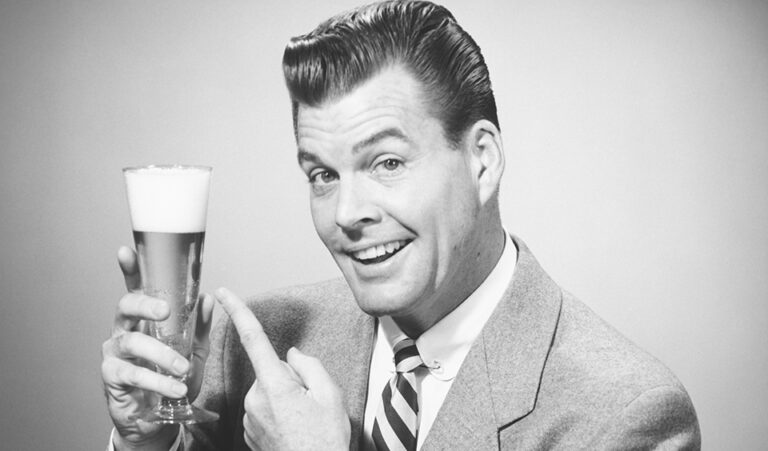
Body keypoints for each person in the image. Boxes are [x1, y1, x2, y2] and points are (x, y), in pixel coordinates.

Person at [102, 1, 701, 449]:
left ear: (482, 160)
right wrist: (144, 442)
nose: (345, 213)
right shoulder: (257, 349)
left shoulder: (626, 416)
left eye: (386, 163)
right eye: (322, 175)